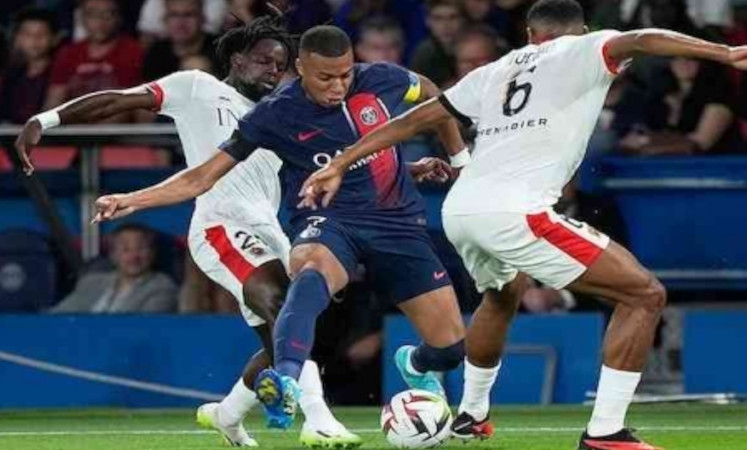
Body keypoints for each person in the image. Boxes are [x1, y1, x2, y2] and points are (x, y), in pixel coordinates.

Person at [297, 1, 747, 448]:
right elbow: (641, 38)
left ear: (530, 34)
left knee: (503, 294)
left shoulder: (493, 70)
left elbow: (420, 117)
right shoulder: (582, 49)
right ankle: (606, 433)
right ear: (583, 31)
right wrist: (724, 51)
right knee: (644, 294)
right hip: (514, 211)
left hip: (461, 209)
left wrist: (342, 160)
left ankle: (470, 415)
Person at [87, 24, 468, 430]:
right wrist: (129, 200)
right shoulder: (275, 114)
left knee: (450, 349)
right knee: (308, 271)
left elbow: (434, 96)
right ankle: (286, 380)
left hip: (396, 225)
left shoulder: (382, 79)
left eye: (345, 74)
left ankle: (415, 361)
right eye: (325, 77)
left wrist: (459, 160)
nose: (338, 86)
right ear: (301, 68)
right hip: (331, 220)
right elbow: (202, 177)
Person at [15, 15, 360, 449]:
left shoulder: (281, 115)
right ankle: (319, 419)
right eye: (264, 62)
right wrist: (46, 121)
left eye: (280, 66)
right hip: (221, 224)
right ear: (237, 59)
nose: (273, 72)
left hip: (270, 230)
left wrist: (409, 166)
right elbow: (119, 100)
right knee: (282, 304)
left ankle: (226, 416)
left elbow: (329, 163)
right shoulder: (197, 87)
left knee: (285, 339)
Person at [44, 0, 143, 119]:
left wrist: (93, 134)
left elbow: (124, 107)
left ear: (119, 18)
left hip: (114, 131)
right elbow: (54, 103)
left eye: (108, 14)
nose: (100, 21)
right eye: (92, 14)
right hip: (71, 128)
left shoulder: (132, 51)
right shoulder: (68, 53)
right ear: (82, 18)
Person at [50, 223, 177, 313]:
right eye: (125, 249)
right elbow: (59, 315)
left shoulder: (162, 286)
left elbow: (143, 327)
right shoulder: (91, 282)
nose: (134, 256)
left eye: (141, 248)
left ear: (152, 253)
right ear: (113, 255)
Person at [0, 8, 59, 125]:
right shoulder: (10, 75)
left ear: (54, 38)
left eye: (42, 34)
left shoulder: (59, 72)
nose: (34, 40)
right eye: (27, 34)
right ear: (17, 38)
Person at [142, 0, 220, 81]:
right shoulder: (156, 52)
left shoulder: (221, 49)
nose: (181, 22)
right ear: (165, 20)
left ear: (202, 19)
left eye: (188, 15)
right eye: (174, 15)